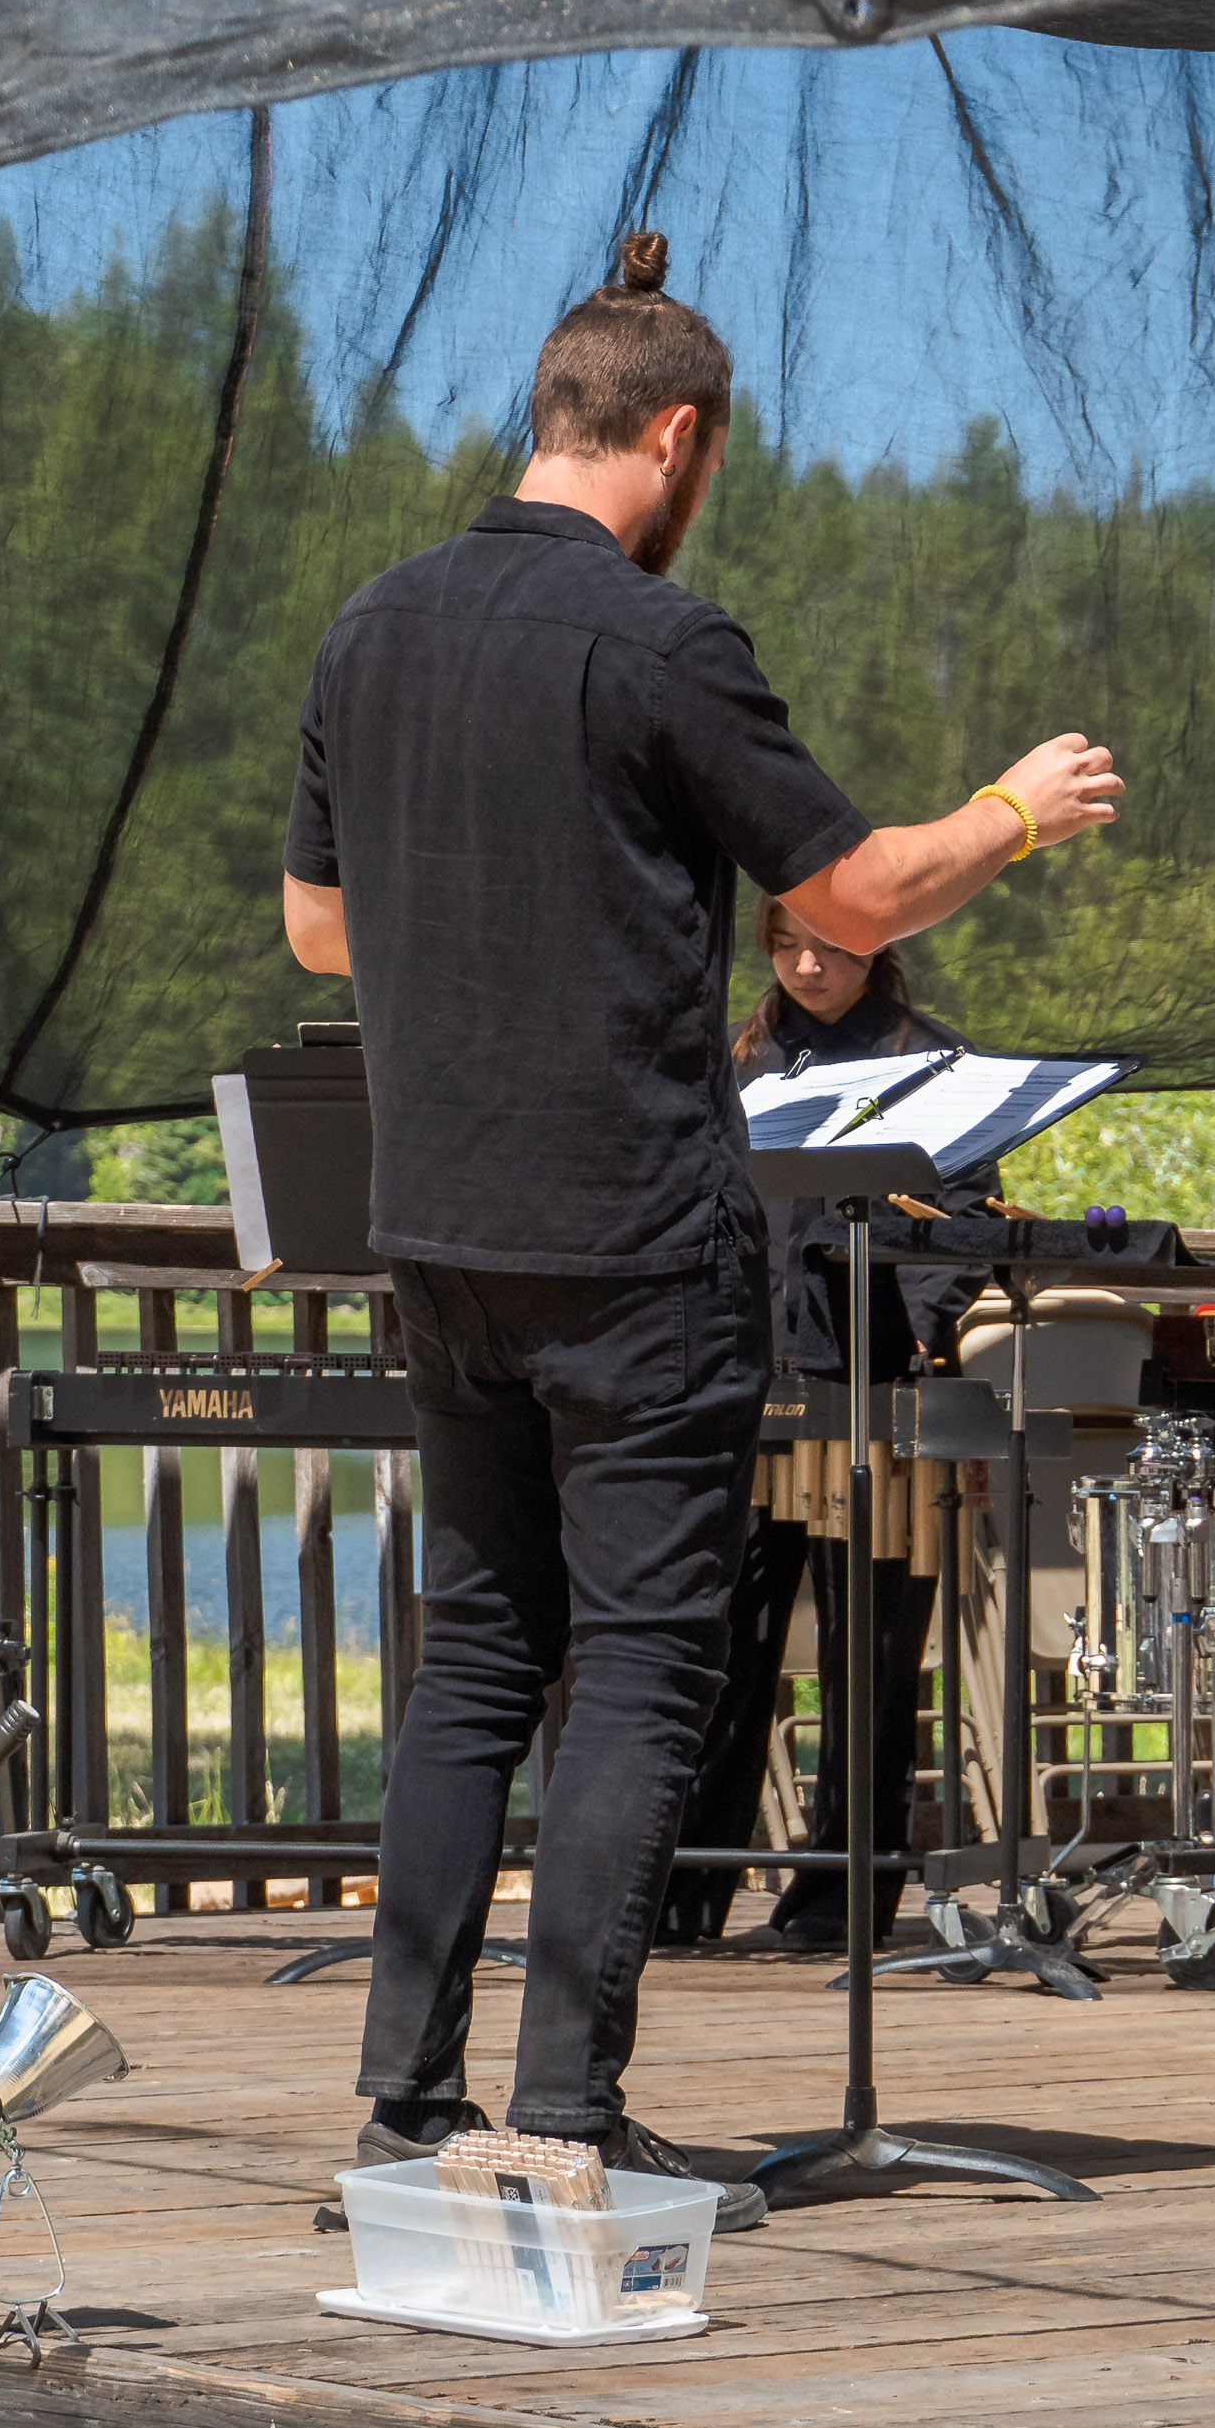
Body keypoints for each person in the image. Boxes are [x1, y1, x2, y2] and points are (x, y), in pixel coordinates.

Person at [281, 230, 1122, 2215]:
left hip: (441, 1233)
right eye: (710, 464)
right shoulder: (662, 644)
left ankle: (408, 2109)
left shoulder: (371, 629)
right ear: (676, 438)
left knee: (476, 1663)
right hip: (635, 1240)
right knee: (650, 1662)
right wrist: (1011, 808)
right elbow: (853, 897)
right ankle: (564, 2117)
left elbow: (318, 928)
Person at [661, 903, 997, 1954]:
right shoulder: (733, 1060)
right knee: (718, 1648)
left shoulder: (937, 1065)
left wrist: (919, 1332)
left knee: (873, 1665)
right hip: (741, 1384)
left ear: (877, 943)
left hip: (872, 1385)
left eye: (831, 948)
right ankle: (683, 1897)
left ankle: (839, 1902)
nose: (807, 966)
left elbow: (968, 1220)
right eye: (786, 946)